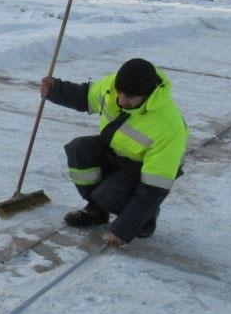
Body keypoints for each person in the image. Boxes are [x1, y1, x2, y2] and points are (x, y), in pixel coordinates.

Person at [40, 58, 188, 245]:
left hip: (142, 168)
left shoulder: (168, 127)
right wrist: (55, 90)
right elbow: (86, 97)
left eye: (130, 97)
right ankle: (97, 211)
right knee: (79, 150)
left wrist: (123, 230)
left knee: (109, 195)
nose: (122, 100)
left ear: (147, 95)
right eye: (121, 93)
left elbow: (154, 188)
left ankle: (145, 220)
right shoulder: (113, 86)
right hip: (117, 151)